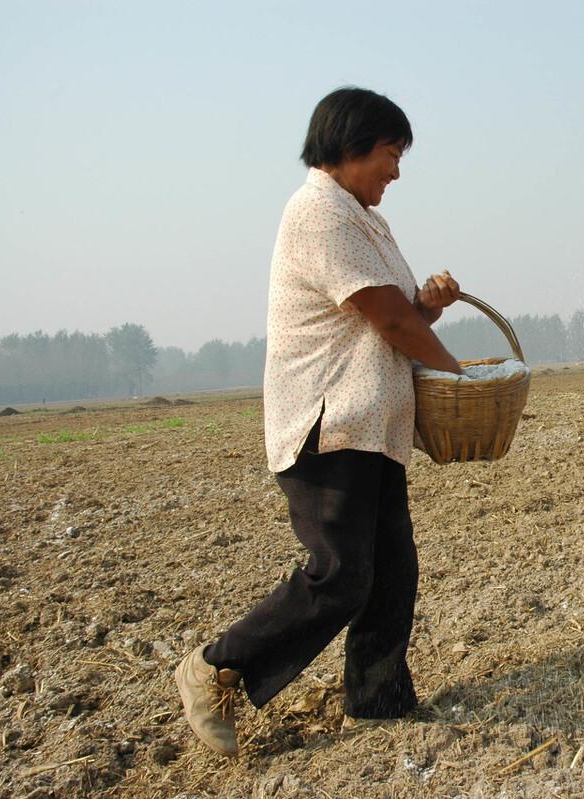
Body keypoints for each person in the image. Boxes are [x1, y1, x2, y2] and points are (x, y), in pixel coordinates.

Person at [174, 87, 464, 757]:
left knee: (392, 573)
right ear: (350, 146)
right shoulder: (318, 213)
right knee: (341, 575)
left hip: (373, 431)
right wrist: (458, 374)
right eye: (392, 153)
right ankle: (216, 666)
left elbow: (397, 316)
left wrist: (429, 304)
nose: (397, 170)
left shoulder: (365, 220)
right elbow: (388, 322)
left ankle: (380, 702)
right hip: (327, 427)